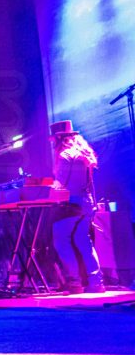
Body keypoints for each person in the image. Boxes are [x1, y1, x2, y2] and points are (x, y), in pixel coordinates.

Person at [49, 120, 106, 294]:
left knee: (61, 240)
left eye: (54, 139)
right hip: (87, 202)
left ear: (60, 138)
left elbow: (61, 183)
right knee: (83, 240)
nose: (52, 143)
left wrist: (44, 190)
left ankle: (74, 282)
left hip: (71, 203)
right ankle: (96, 282)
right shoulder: (83, 154)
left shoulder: (64, 155)